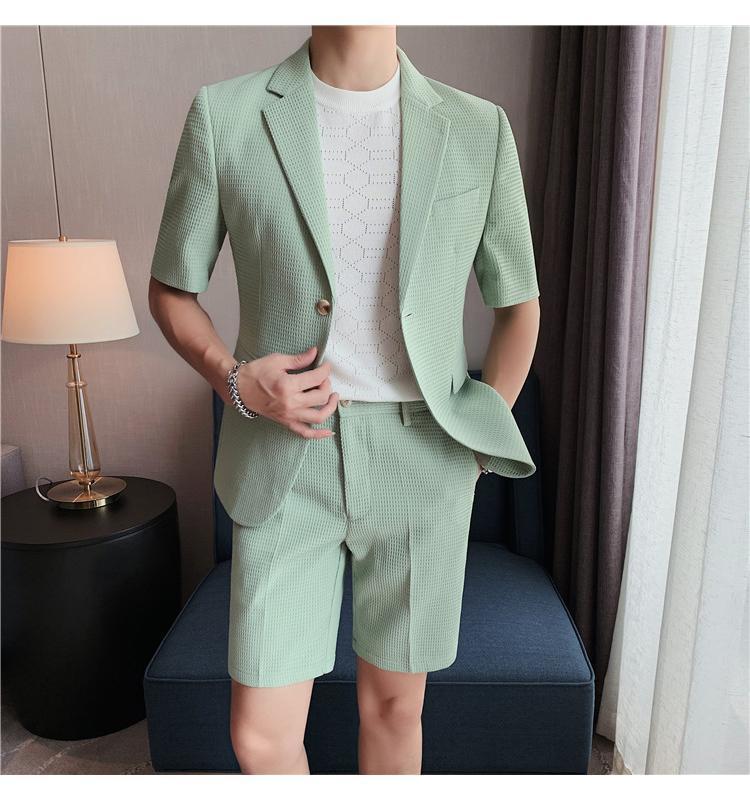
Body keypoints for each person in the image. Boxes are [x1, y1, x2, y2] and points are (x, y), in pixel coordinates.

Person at [148, 25, 540, 775]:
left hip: (424, 456)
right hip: (284, 457)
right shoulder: (226, 114)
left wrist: (472, 446)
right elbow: (171, 287)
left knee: (395, 710)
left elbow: (518, 304)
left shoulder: (477, 127)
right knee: (259, 735)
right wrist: (235, 379)